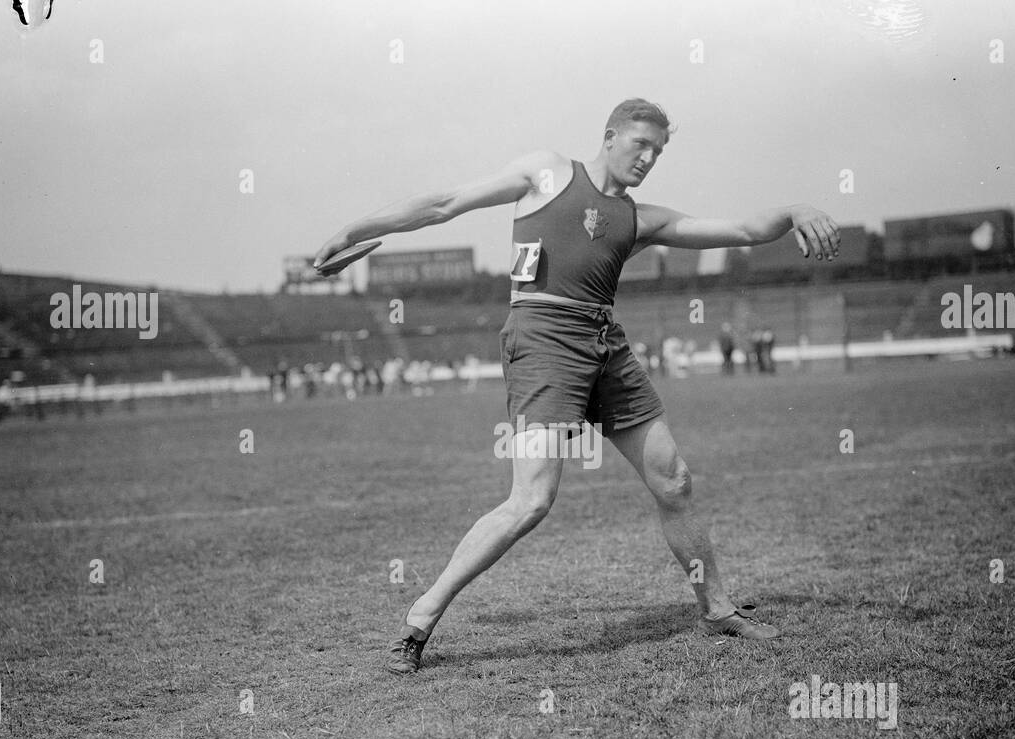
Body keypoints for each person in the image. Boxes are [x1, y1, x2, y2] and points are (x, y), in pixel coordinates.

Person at [314, 98, 840, 674]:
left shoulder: (641, 219)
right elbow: (444, 204)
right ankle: (418, 621)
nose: (649, 158)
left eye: (659, 151)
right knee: (532, 500)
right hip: (542, 339)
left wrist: (794, 209)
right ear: (611, 135)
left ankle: (716, 609)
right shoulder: (548, 172)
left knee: (674, 479)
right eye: (641, 143)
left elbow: (740, 229)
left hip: (603, 342)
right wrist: (354, 228)